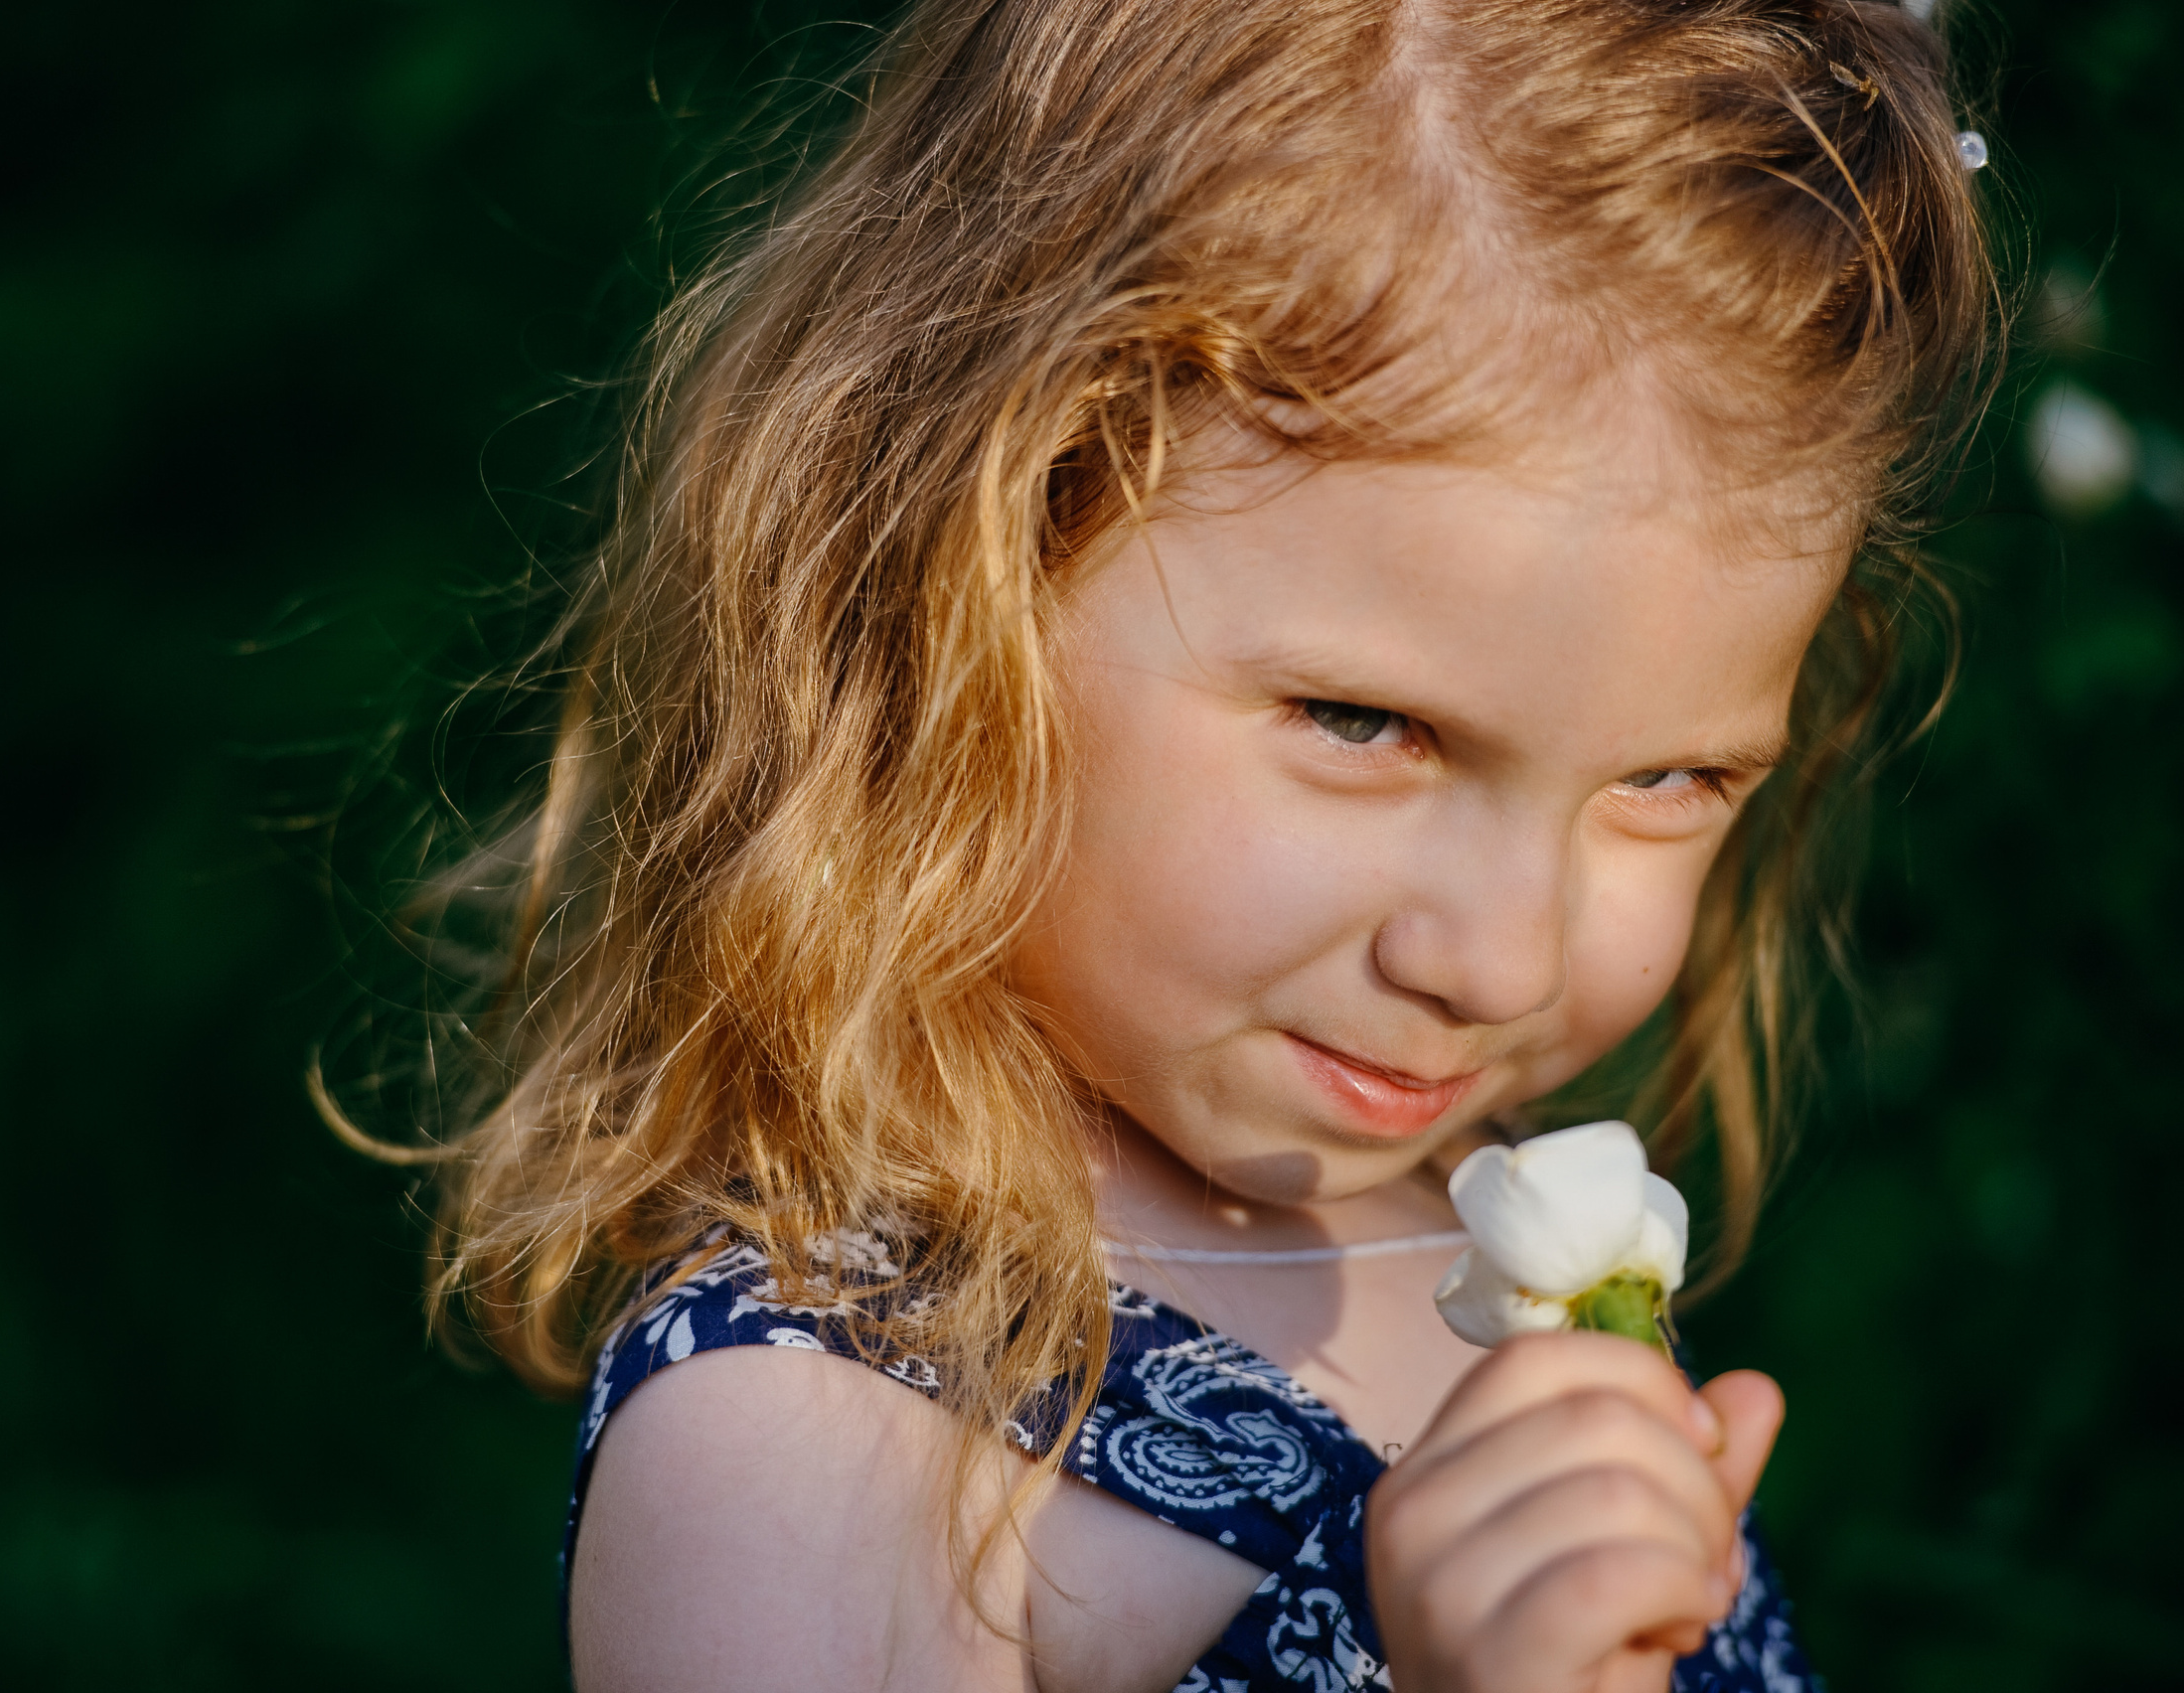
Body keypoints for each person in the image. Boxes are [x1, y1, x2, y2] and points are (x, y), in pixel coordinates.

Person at [342, 1, 1999, 1687]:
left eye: (1672, 781)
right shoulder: (810, 1445)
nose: (1504, 956)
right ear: (952, 576)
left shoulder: (1475, 1228)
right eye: (1367, 728)